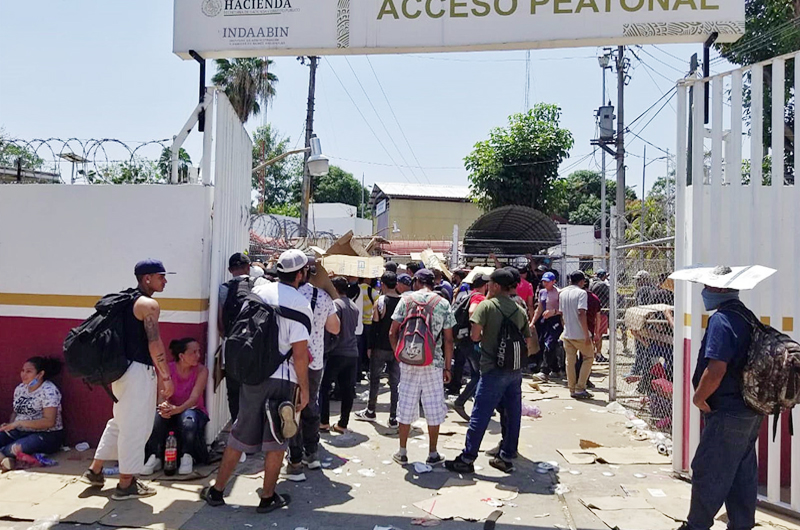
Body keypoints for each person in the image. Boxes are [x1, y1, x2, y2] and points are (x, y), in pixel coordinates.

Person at [203, 249, 312, 513]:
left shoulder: (260, 292)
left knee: (239, 432)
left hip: (252, 375)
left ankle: (217, 491)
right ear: (300, 274)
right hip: (282, 379)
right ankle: (267, 497)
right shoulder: (300, 303)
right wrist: (305, 390)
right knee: (277, 438)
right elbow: (299, 356)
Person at [82, 259, 174, 500]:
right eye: (161, 276)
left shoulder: (124, 300)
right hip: (138, 372)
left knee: (120, 421)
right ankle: (126, 485)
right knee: (136, 427)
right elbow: (154, 343)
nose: (165, 280)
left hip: (120, 372)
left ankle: (95, 470)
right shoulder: (149, 305)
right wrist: (166, 376)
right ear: (147, 279)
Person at [678, 275, 759, 530]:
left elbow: (716, 369)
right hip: (750, 409)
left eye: (706, 287)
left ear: (720, 288)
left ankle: (696, 526)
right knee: (740, 473)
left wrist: (698, 397)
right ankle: (742, 525)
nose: (703, 292)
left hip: (727, 411)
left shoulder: (722, 320)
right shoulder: (748, 317)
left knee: (709, 470)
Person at [445, 269, 534, 474]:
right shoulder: (519, 309)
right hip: (514, 370)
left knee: (480, 414)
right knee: (513, 414)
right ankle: (507, 455)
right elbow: (527, 340)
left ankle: (467, 458)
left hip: (492, 369)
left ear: (494, 286)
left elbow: (475, 336)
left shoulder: (486, 306)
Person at [389, 269, 455, 467]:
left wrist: (399, 356)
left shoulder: (406, 301)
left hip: (408, 360)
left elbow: (392, 332)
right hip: (433, 363)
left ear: (416, 281)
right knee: (433, 407)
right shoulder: (443, 304)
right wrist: (447, 367)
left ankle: (402, 452)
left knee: (406, 404)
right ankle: (433, 453)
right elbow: (449, 340)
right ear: (433, 283)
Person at [283, 271, 340, 481]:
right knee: (310, 402)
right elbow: (335, 328)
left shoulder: (286, 294)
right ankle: (312, 453)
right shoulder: (323, 297)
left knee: (291, 407)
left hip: (288, 361)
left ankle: (294, 458)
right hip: (314, 359)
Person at [143, 338, 209, 476]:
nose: (198, 355)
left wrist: (178, 409)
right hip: (171, 408)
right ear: (181, 356)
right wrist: (164, 406)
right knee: (158, 417)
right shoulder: (168, 370)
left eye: (199, 351)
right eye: (193, 352)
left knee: (188, 419)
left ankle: (187, 456)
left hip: (193, 409)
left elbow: (194, 398)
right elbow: (161, 395)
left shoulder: (201, 371)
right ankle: (154, 456)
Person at [0, 357, 64, 471]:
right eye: (23, 371)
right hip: (20, 431)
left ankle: (7, 458)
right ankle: (6, 460)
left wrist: (19, 423)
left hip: (46, 435)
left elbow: (49, 422)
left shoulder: (49, 390)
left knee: (13, 449)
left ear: (40, 374)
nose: (23, 374)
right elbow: (15, 411)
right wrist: (10, 425)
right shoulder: (20, 389)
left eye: (28, 371)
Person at [356, 271, 401, 428]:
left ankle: (371, 410)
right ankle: (394, 417)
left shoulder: (381, 301)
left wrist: (370, 346)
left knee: (374, 380)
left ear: (383, 284)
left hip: (380, 347)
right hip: (397, 348)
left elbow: (374, 325)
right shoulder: (403, 302)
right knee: (395, 383)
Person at [319, 276, 360, 434]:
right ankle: (343, 424)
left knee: (325, 387)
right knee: (347, 390)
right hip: (352, 352)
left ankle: (323, 422)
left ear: (334, 288)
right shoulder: (354, 306)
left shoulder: (335, 305)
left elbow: (331, 329)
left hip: (336, 352)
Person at [218, 252, 253, 423]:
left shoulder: (224, 289)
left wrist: (227, 337)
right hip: (254, 347)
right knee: (253, 391)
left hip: (231, 347)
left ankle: (236, 428)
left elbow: (220, 322)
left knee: (233, 391)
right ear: (248, 267)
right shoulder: (258, 286)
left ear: (230, 270)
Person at [452, 274, 491, 421]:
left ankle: (467, 403)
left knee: (477, 374)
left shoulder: (468, 295)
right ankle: (461, 402)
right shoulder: (479, 297)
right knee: (481, 374)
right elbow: (472, 311)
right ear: (485, 285)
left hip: (463, 340)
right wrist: (478, 331)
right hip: (471, 342)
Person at [560, 271, 595, 400]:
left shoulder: (562, 293)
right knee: (588, 358)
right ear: (581, 281)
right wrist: (586, 334)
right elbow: (581, 313)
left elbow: (561, 313)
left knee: (570, 361)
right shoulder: (581, 293)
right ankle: (580, 387)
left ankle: (572, 388)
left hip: (567, 332)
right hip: (579, 333)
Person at [531, 272, 563, 381]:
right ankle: (556, 369)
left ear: (554, 282)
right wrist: (533, 322)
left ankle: (544, 371)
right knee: (543, 343)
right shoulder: (542, 292)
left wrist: (554, 312)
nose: (545, 283)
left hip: (556, 320)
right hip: (545, 321)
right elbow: (539, 308)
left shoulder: (559, 293)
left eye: (548, 282)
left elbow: (563, 309)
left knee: (550, 343)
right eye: (544, 281)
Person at [590, 269, 611, 360]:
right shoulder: (602, 284)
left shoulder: (591, 283)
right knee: (599, 333)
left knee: (592, 333)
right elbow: (610, 296)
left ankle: (593, 352)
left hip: (591, 312)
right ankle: (598, 354)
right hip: (601, 311)